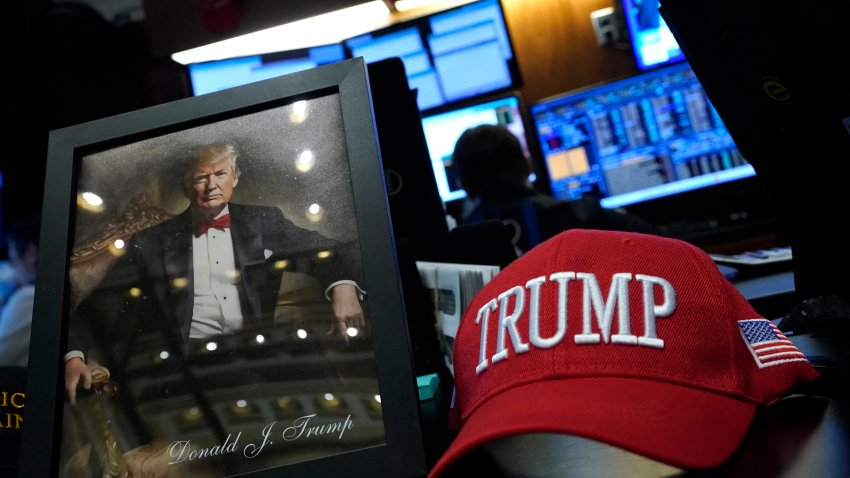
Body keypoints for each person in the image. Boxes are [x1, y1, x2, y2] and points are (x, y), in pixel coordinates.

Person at [64, 143, 366, 404]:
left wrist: (343, 288)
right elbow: (97, 303)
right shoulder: (151, 241)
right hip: (187, 360)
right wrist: (74, 356)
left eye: (220, 174)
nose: (212, 186)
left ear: (235, 177)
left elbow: (330, 249)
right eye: (201, 178)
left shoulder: (262, 221)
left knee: (322, 373)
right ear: (186, 185)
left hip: (257, 346)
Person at [452, 124, 655, 253]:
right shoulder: (581, 215)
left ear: (465, 185)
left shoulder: (462, 244)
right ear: (527, 165)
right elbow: (652, 240)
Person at [0, 214, 41, 367]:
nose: (12, 266)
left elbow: (2, 358)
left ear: (31, 252)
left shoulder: (28, 297)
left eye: (13, 257)